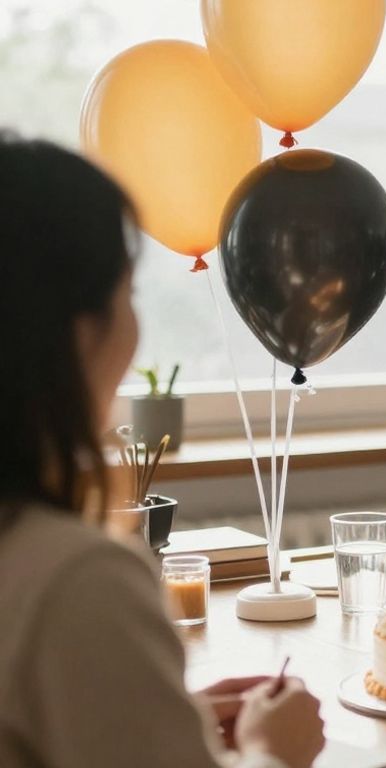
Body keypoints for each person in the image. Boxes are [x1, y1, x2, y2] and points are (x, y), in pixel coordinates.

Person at [0, 134, 326, 768]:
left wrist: (157, 716)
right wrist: (271, 752)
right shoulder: (79, 578)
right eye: (128, 293)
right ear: (77, 328)